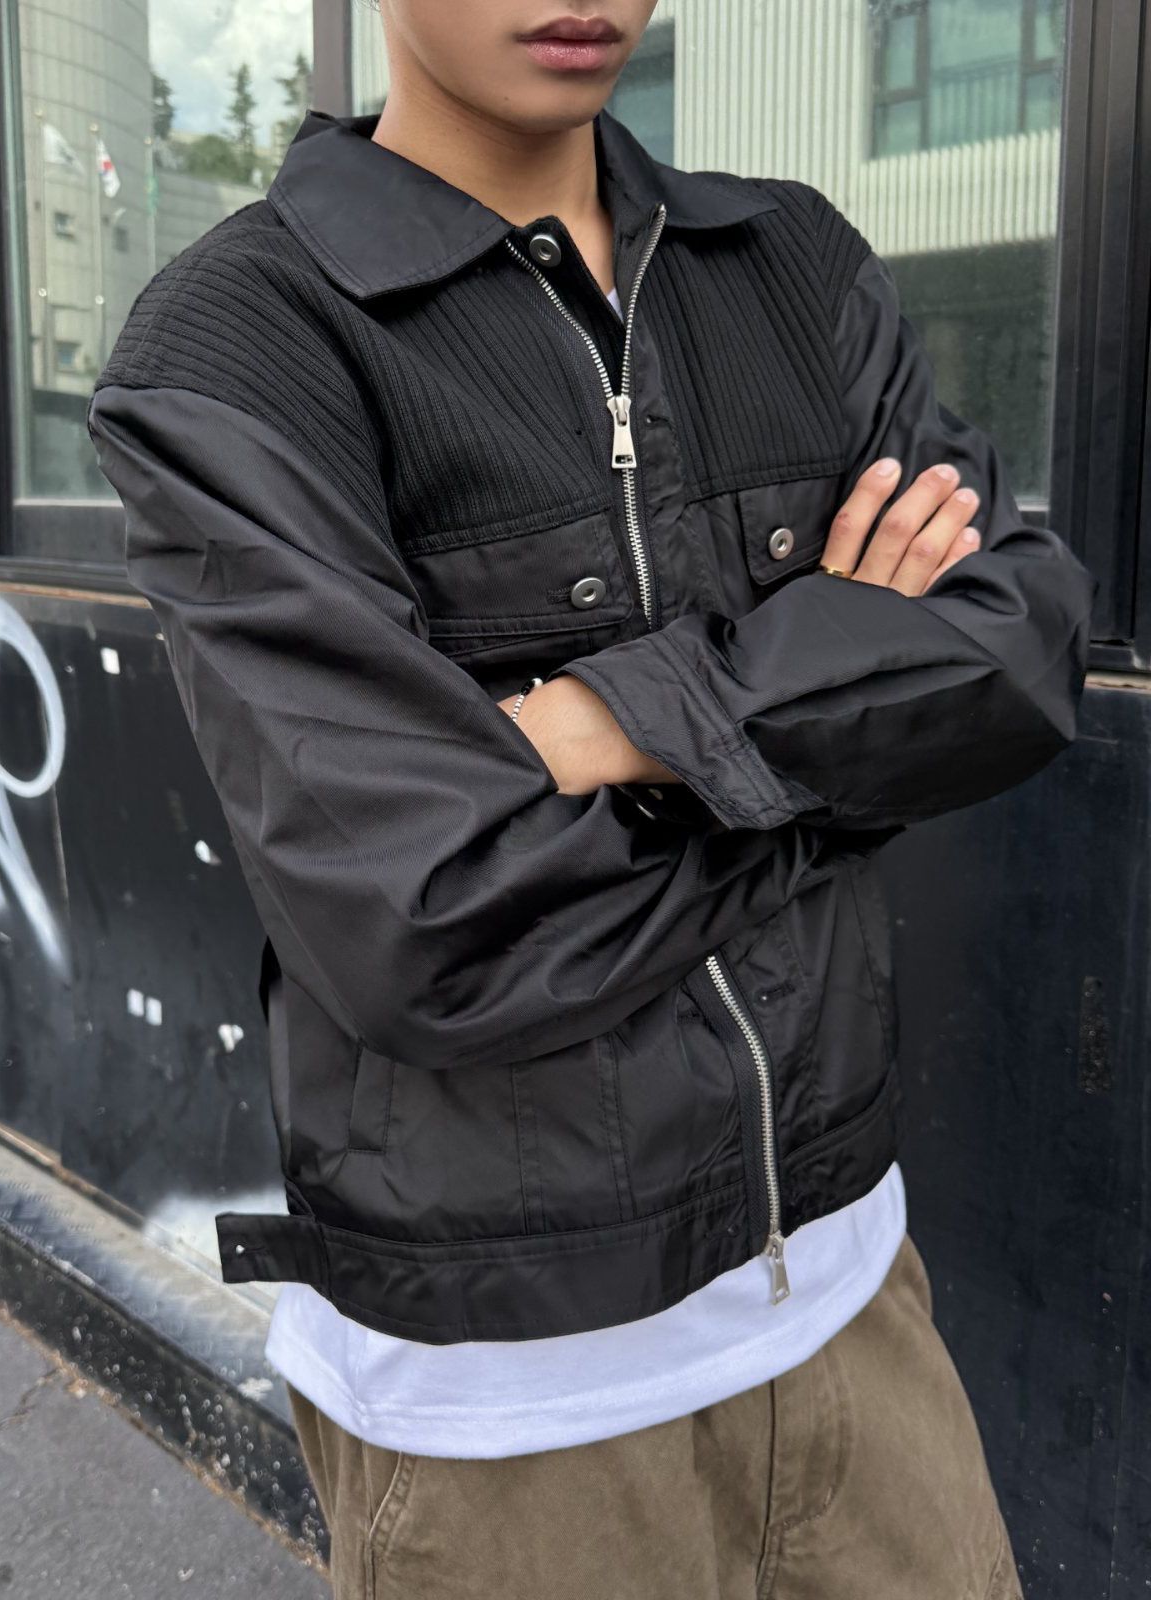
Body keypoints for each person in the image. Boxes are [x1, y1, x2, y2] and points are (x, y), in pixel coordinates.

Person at [87, 2, 1095, 1595]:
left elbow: (1021, 653)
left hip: (853, 1299)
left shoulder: (791, 267)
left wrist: (614, 719)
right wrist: (842, 735)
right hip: (507, 1412)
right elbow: (426, 925)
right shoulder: (240, 347)